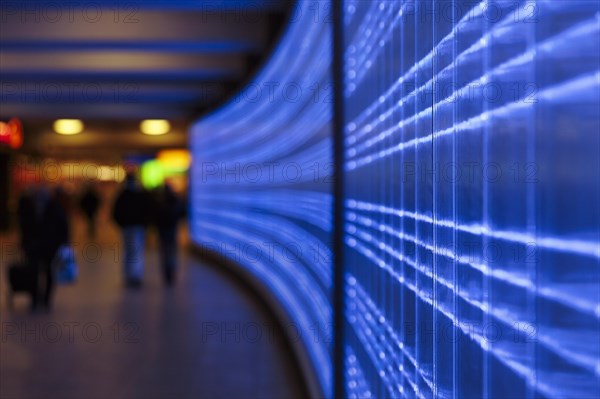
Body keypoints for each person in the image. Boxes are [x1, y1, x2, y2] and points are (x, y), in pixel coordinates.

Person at [17, 184, 70, 312]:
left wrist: (63, 242)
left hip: (49, 246)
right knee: (33, 272)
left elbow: (63, 226)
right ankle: (35, 299)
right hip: (34, 246)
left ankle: (45, 299)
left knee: (49, 273)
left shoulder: (54, 208)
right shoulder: (29, 208)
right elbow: (24, 228)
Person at [112, 173, 150, 288]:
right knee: (135, 251)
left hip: (130, 227)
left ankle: (131, 275)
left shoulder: (123, 195)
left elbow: (116, 212)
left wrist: (122, 223)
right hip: (135, 227)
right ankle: (134, 275)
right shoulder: (139, 195)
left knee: (130, 251)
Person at [154, 183, 185, 285]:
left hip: (162, 231)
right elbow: (180, 212)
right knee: (171, 250)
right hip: (172, 229)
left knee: (164, 251)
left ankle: (167, 271)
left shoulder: (159, 201)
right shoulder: (174, 200)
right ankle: (171, 270)